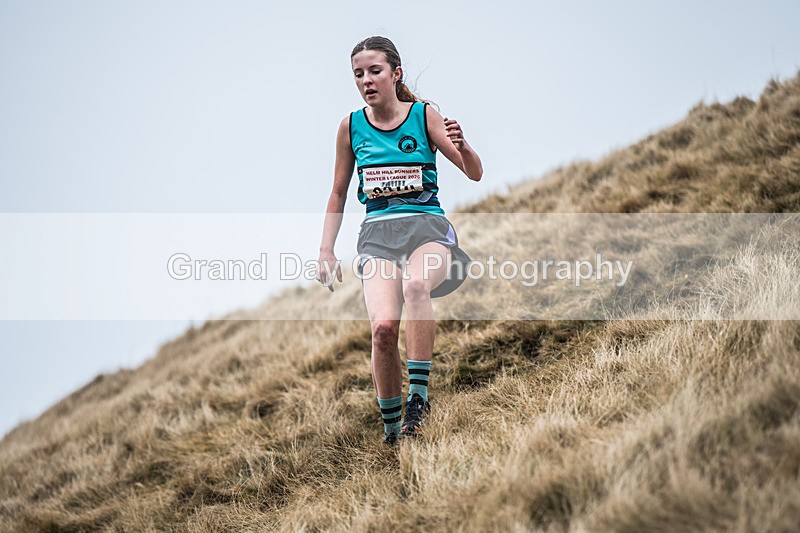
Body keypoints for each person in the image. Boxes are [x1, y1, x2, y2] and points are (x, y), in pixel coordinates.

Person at [317, 36, 483, 446]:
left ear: (396, 74)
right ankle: (393, 432)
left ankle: (419, 399)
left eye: (375, 71)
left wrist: (463, 145)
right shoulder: (350, 127)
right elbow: (338, 193)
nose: (366, 81)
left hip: (428, 229)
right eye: (358, 74)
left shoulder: (424, 116)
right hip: (377, 236)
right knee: (383, 329)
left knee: (414, 285)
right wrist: (325, 249)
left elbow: (474, 172)